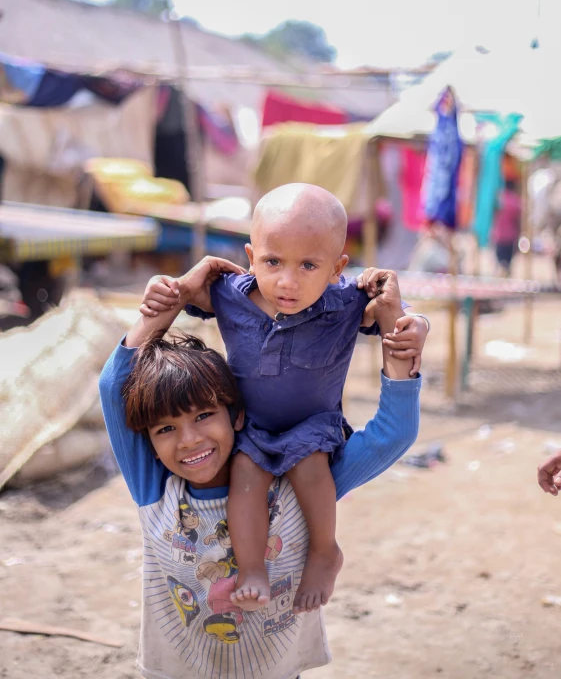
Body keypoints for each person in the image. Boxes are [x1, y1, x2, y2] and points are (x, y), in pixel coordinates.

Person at [99, 256, 422, 679]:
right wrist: (176, 296)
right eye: (166, 429)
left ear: (236, 416)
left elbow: (393, 433)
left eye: (203, 416)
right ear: (148, 441)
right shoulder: (155, 489)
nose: (189, 440)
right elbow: (113, 386)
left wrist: (397, 337)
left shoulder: (296, 483)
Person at [141, 184, 429, 614]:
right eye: (272, 261)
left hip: (313, 428)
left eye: (309, 265)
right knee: (244, 482)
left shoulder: (345, 303)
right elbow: (183, 294)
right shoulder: (230, 295)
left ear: (337, 268)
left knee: (311, 470)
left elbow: (395, 315)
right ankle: (253, 568)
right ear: (250, 255)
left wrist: (417, 324)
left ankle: (325, 551)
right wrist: (168, 286)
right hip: (251, 429)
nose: (287, 281)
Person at [492, 179, 522, 276]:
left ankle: (501, 281)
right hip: (510, 236)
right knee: (507, 264)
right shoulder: (516, 200)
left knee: (500, 262)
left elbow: (493, 215)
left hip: (499, 235)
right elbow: (518, 219)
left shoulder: (499, 199)